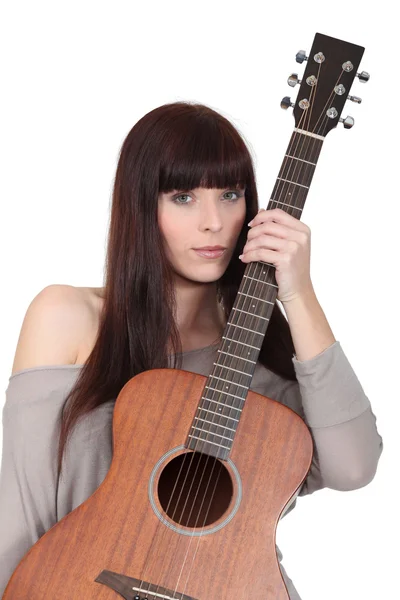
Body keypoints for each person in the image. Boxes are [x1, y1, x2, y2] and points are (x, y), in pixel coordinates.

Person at [0, 101, 383, 598]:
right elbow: (20, 509)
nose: (213, 222)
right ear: (141, 206)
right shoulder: (68, 318)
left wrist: (299, 294)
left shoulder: (267, 358)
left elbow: (353, 469)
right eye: (183, 197)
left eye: (230, 194)